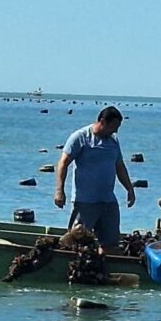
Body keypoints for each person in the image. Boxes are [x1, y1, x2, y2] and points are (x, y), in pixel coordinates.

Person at [52, 105, 134, 250]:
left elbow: (120, 167)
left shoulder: (113, 141)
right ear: (102, 121)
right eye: (114, 126)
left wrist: (130, 189)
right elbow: (63, 163)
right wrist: (60, 191)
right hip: (85, 202)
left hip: (108, 201)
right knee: (75, 242)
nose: (116, 130)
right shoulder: (81, 137)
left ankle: (102, 270)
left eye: (118, 127)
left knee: (110, 243)